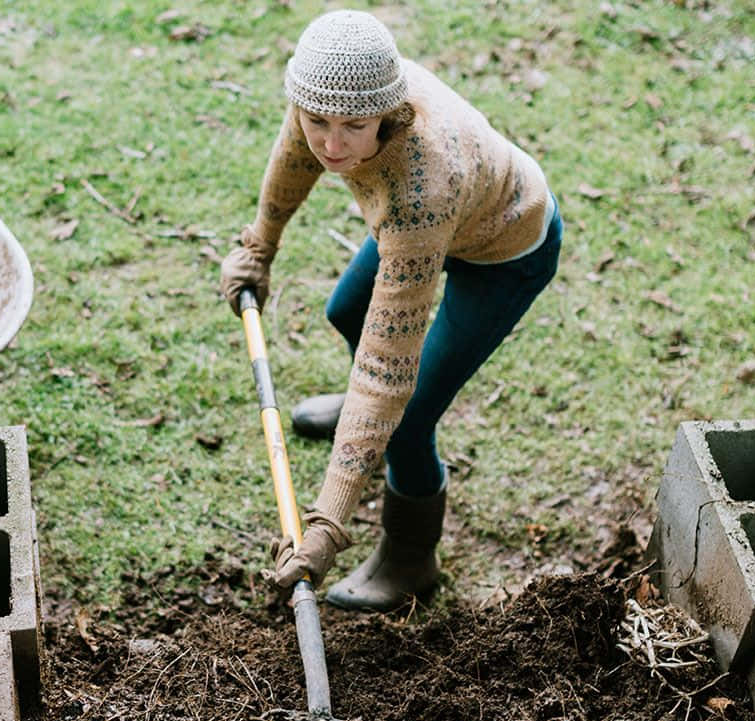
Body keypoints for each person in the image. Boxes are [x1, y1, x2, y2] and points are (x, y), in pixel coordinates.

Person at [220, 10, 563, 611]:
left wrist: (326, 524)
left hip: (505, 248)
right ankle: (364, 438)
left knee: (405, 415)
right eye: (317, 121)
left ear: (388, 111)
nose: (331, 143)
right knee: (347, 310)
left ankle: (411, 556)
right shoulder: (327, 93)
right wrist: (259, 247)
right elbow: (293, 159)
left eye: (353, 127)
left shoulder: (420, 190)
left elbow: (386, 373)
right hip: (441, 222)